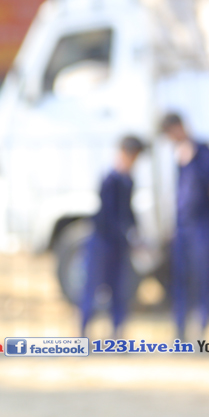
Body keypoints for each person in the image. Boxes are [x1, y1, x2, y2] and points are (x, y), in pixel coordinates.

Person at [160, 112, 209, 340]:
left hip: (202, 224)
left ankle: (202, 330)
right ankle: (180, 330)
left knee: (203, 277)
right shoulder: (177, 155)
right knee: (180, 279)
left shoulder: (204, 152)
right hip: (182, 225)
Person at [79, 135, 144, 337]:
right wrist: (124, 231)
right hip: (102, 241)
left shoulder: (128, 180)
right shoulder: (110, 179)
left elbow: (128, 212)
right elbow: (107, 214)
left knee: (119, 291)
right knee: (92, 288)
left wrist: (135, 233)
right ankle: (83, 333)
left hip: (118, 245)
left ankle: (117, 335)